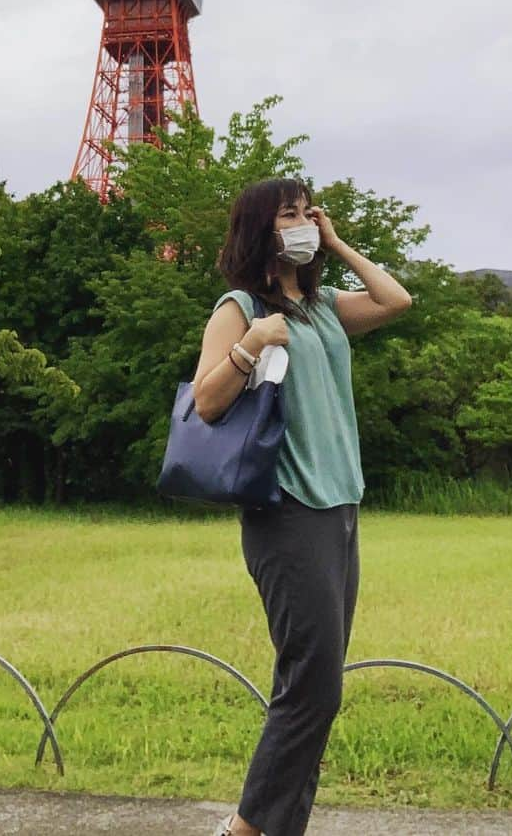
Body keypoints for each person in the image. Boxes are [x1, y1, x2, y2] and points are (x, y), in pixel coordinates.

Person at [192, 178, 413, 836]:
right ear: (263, 229)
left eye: (308, 213)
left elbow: (396, 299)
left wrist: (338, 242)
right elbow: (206, 402)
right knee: (314, 687)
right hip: (288, 512)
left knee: (315, 690)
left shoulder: (321, 307)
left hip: (340, 507)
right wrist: (254, 340)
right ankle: (243, 829)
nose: (305, 222)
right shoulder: (240, 307)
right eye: (291, 214)